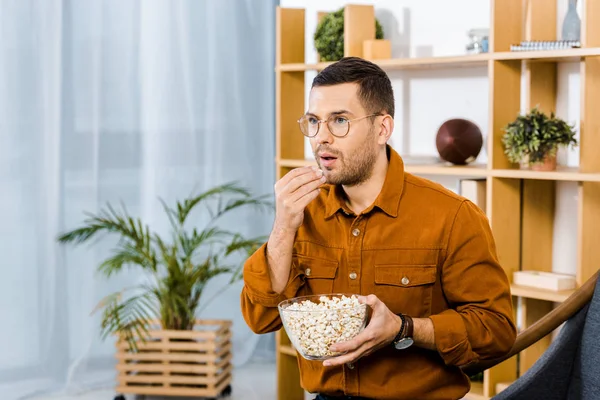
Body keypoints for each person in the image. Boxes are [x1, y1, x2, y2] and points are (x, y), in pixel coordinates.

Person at [240, 56, 516, 400]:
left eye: (339, 120)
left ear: (382, 128)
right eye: (313, 121)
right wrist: (283, 226)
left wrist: (405, 328)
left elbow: (497, 332)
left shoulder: (453, 215)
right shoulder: (301, 212)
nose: (321, 138)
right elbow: (260, 320)